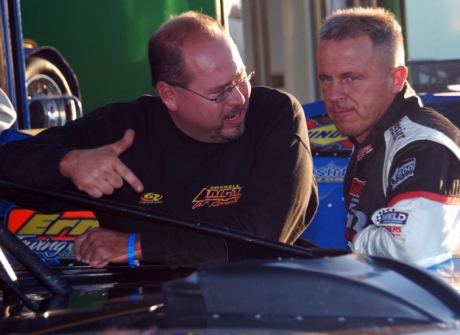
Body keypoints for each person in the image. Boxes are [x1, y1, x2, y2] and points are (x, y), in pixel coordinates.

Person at [0, 11, 318, 268]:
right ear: (169, 95)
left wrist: (135, 246)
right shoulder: (121, 129)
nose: (238, 98)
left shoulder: (274, 115)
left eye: (240, 78)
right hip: (137, 311)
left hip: (253, 303)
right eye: (219, 92)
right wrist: (67, 165)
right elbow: (9, 163)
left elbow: (260, 239)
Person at [316, 6, 460, 267]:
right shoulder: (372, 132)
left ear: (396, 79)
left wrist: (361, 241)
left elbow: (411, 250)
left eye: (351, 78)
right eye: (327, 78)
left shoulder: (423, 145)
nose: (334, 94)